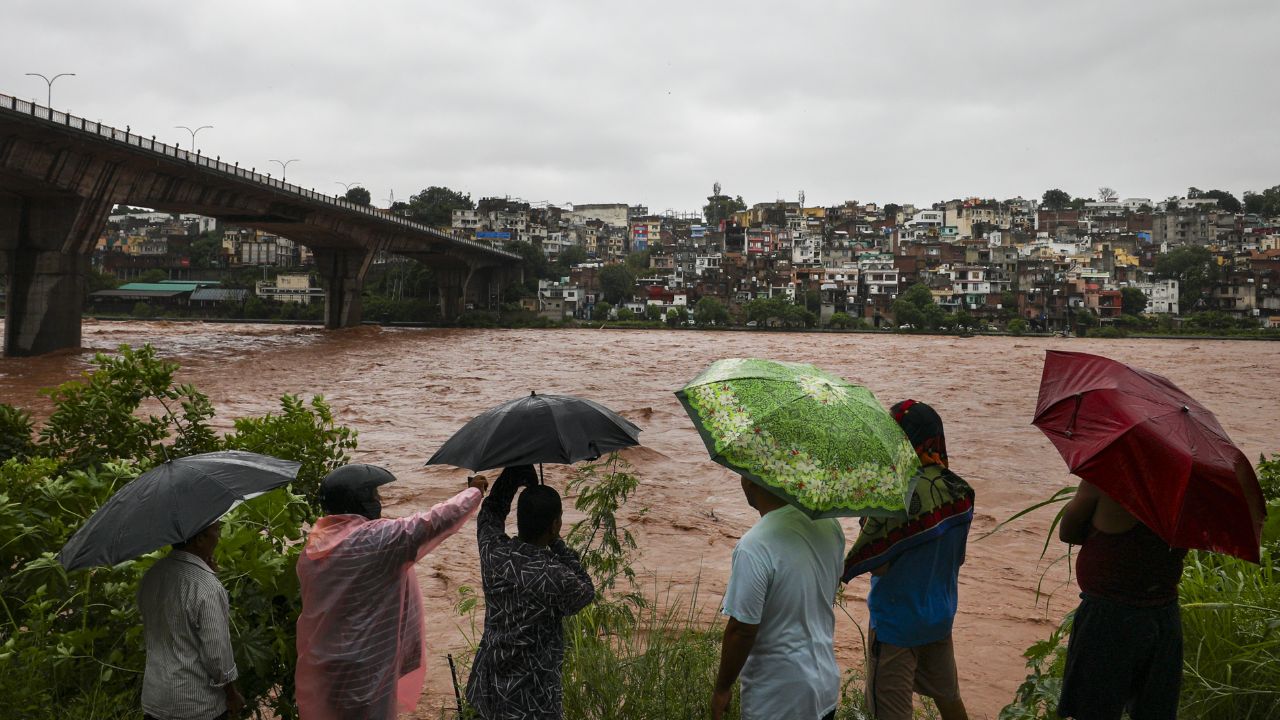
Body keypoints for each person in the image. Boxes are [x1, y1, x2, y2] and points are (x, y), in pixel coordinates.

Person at [295, 464, 486, 720]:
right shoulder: (377, 540)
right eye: (373, 495)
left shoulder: (312, 549)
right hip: (367, 668)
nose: (379, 501)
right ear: (359, 501)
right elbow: (436, 520)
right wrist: (473, 492)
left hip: (323, 665)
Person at [843, 399, 972, 720]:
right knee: (950, 701)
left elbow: (880, 564)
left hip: (897, 626)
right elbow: (957, 559)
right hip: (939, 618)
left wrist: (869, 512)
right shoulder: (961, 491)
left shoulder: (895, 497)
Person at [465, 465, 596, 720]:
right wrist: (557, 543)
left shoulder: (494, 553)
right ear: (555, 524)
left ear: (520, 519)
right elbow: (586, 591)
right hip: (532, 702)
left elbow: (491, 512)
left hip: (488, 692)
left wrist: (516, 473)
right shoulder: (554, 576)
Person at [712, 477, 846, 720]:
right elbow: (829, 588)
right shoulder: (829, 525)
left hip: (778, 698)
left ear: (750, 481)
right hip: (825, 686)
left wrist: (722, 688)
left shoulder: (754, 546)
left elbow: (742, 629)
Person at [1055, 480, 1187, 720]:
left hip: (1108, 617)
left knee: (1092, 710)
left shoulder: (1108, 478)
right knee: (1156, 711)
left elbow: (1068, 531)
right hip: (1164, 615)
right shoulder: (1188, 487)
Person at [137, 520, 244, 720]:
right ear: (200, 539)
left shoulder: (151, 575)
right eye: (216, 530)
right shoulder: (206, 586)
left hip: (155, 701)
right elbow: (217, 658)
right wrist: (231, 694)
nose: (218, 537)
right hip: (196, 706)